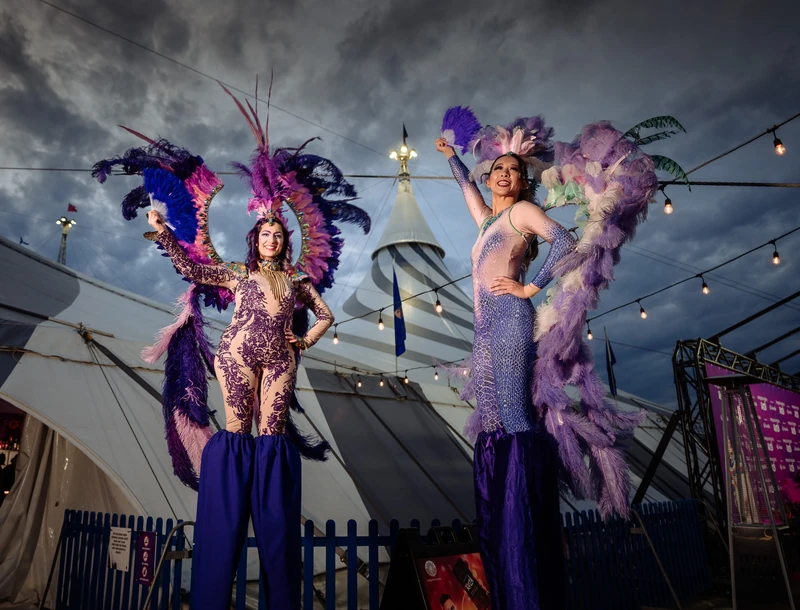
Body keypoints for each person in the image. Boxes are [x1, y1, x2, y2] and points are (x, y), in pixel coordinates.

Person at [144, 209, 332, 610]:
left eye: (277, 235)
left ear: (285, 242)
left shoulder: (298, 281)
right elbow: (193, 271)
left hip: (281, 358)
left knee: (273, 436)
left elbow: (326, 316)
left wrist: (303, 342)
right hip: (237, 355)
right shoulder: (239, 273)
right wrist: (163, 233)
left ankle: (273, 547)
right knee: (237, 432)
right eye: (265, 234)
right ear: (255, 240)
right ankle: (227, 522)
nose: (271, 240)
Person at [436, 137, 575, 609]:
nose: (503, 174)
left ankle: (527, 575)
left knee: (515, 423)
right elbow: (467, 190)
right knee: (493, 426)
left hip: (511, 319)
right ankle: (505, 566)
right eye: (497, 167)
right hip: (483, 331)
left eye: (513, 170)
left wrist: (529, 288)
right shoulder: (487, 221)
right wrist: (452, 157)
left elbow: (567, 241)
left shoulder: (522, 213)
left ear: (522, 181)